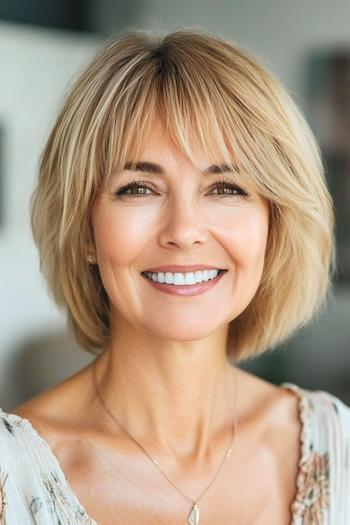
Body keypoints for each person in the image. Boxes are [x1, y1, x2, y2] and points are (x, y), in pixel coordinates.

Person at [0, 27, 349, 525]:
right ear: (84, 229)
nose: (184, 231)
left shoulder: (336, 445)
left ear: (274, 225)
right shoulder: (9, 478)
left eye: (226, 188)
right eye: (139, 188)